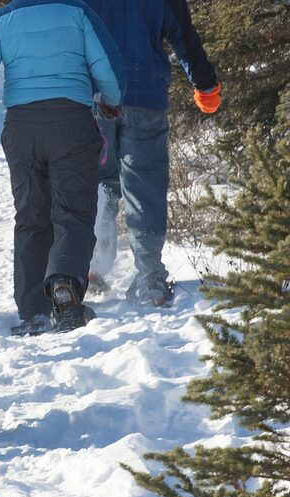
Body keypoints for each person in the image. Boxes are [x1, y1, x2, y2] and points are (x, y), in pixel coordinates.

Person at [0, 0, 125, 335]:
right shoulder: (78, 12)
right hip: (71, 122)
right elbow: (107, 66)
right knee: (74, 211)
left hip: (22, 129)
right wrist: (110, 100)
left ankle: (33, 309)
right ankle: (65, 286)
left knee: (30, 215)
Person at [82, 0, 220, 306]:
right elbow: (183, 35)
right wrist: (205, 84)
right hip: (145, 94)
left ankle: (91, 267)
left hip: (94, 97)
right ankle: (150, 279)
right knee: (144, 188)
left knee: (96, 181)